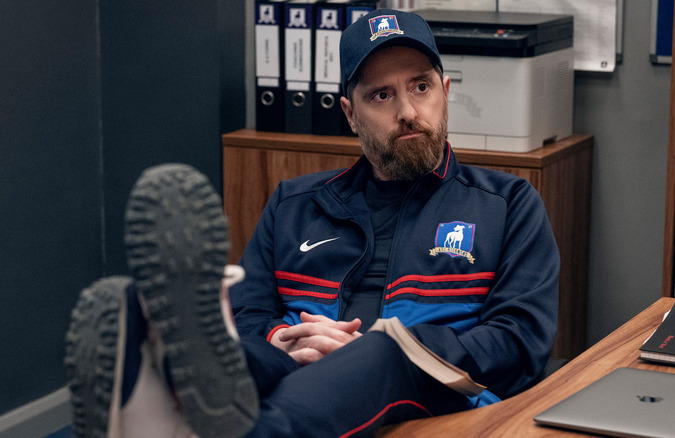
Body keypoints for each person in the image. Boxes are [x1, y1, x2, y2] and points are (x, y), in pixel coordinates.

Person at [66, 9, 559, 438]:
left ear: (445, 93)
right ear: (350, 113)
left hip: (431, 388)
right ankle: (150, 381)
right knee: (241, 351)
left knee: (381, 354)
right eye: (381, 96)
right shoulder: (294, 204)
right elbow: (250, 313)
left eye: (421, 87)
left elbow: (520, 343)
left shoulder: (508, 204)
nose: (409, 112)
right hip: (298, 372)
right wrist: (284, 341)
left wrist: (373, 346)